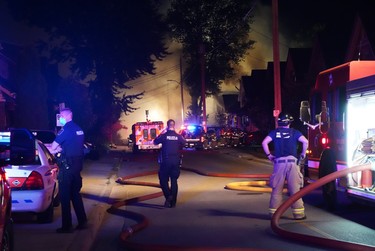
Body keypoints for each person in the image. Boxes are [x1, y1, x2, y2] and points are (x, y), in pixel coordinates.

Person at [261, 112, 308, 220]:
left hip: (279, 163)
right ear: (290, 122)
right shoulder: (295, 132)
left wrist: (269, 155)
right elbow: (305, 141)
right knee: (295, 190)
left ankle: (274, 214)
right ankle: (299, 214)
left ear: (279, 122)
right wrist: (303, 153)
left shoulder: (274, 132)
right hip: (292, 163)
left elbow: (264, 143)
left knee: (277, 189)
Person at [50, 108, 88, 233]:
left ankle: (67, 226)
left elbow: (53, 147)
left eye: (60, 116)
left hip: (67, 167)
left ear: (65, 116)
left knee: (65, 197)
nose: (59, 118)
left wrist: (57, 150)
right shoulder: (79, 129)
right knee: (76, 195)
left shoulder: (65, 130)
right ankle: (82, 222)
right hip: (77, 167)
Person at [154, 119, 186, 208]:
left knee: (163, 181)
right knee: (174, 181)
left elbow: (155, 141)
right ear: (174, 126)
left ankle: (168, 196)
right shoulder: (178, 136)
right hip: (176, 162)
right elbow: (184, 142)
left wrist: (162, 132)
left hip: (165, 162)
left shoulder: (164, 136)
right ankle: (173, 203)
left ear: (167, 126)